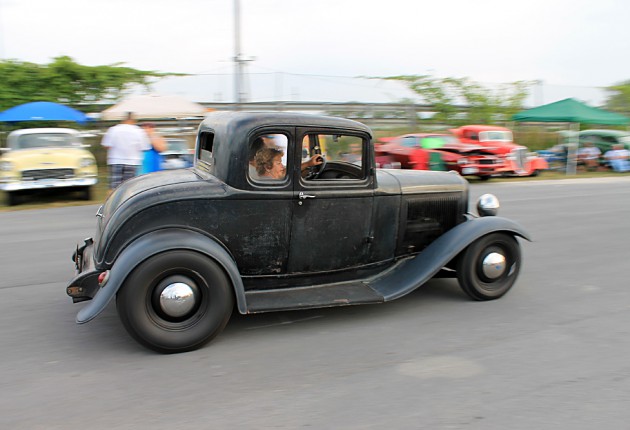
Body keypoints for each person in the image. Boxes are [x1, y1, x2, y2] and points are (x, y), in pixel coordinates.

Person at [101, 112, 151, 191]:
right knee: (130, 187)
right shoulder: (139, 131)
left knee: (113, 187)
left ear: (123, 120)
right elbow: (145, 147)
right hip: (133, 162)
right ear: (134, 120)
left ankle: (112, 199)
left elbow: (106, 145)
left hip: (116, 160)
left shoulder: (113, 129)